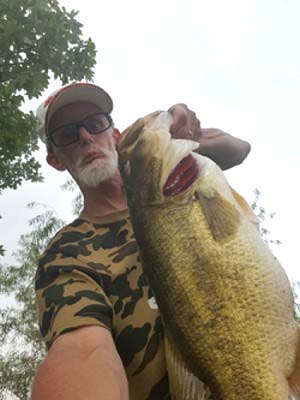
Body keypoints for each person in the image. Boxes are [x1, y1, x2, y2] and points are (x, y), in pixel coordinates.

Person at [31, 82, 251, 400]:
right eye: (67, 134)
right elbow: (83, 349)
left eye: (94, 124)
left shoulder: (173, 182)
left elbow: (239, 149)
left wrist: (189, 137)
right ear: (56, 160)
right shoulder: (66, 253)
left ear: (115, 136)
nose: (85, 137)